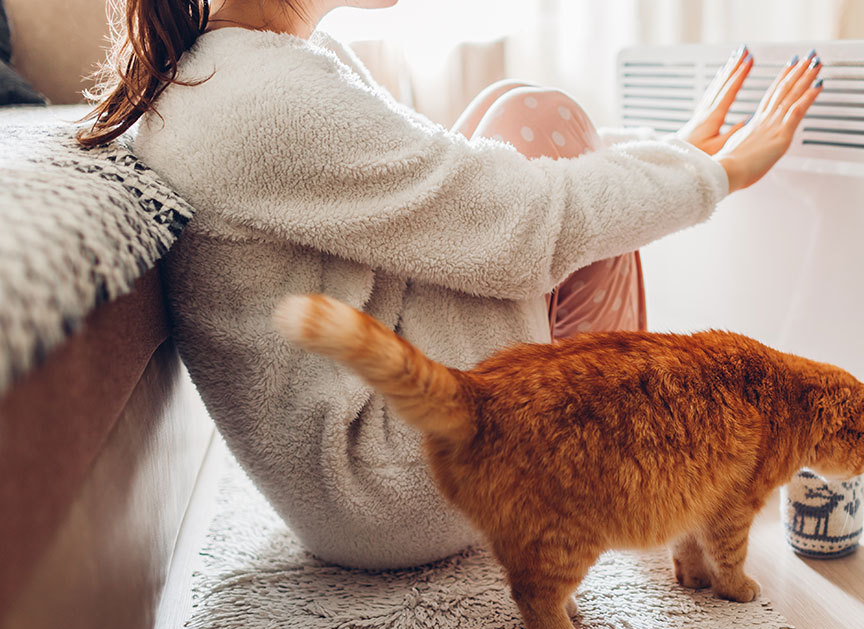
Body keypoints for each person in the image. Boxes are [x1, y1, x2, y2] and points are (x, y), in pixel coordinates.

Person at [77, 0, 823, 569]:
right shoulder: (262, 97)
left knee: (511, 131)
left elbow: (459, 189)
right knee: (540, 124)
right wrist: (715, 174)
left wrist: (673, 158)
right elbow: (529, 225)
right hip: (391, 481)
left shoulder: (247, 65)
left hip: (358, 465)